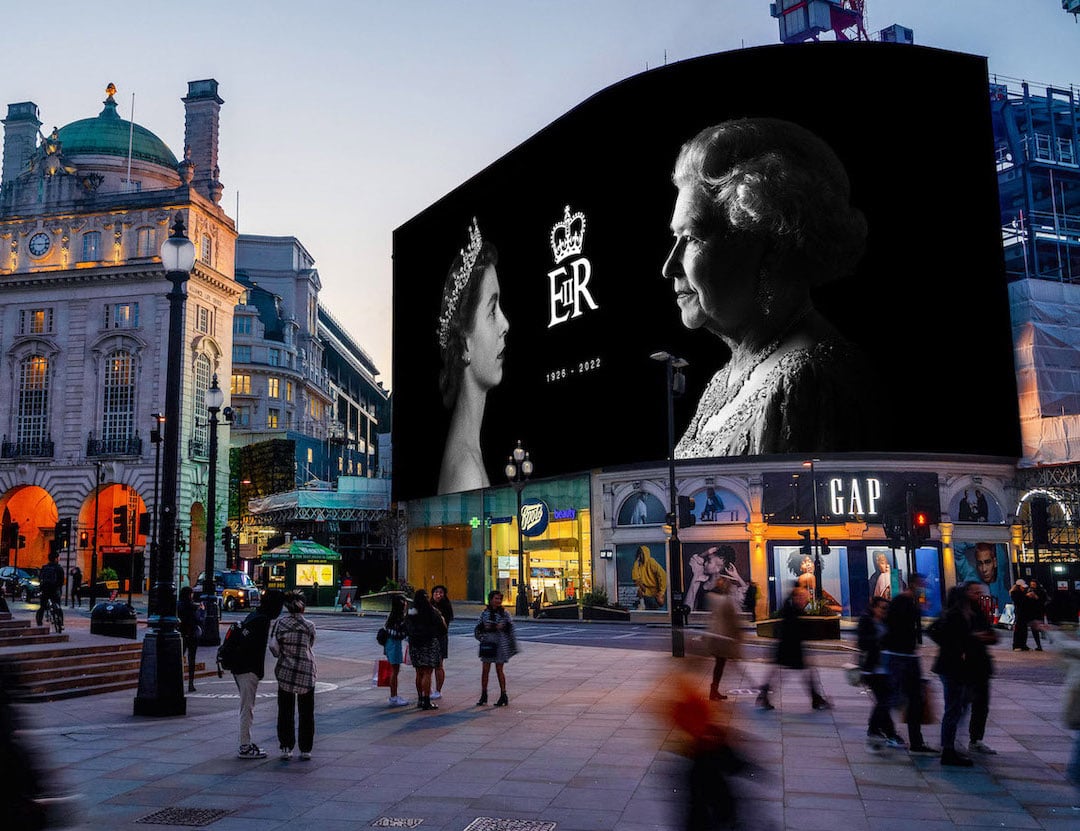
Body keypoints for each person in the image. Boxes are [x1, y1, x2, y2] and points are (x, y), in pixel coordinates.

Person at [664, 118, 871, 459]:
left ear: (769, 244)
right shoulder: (723, 380)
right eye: (675, 238)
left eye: (692, 239)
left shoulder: (809, 378)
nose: (668, 266)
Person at [436, 218, 509, 495]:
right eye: (492, 311)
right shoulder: (466, 472)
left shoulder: (468, 453)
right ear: (465, 344)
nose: (505, 324)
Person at [931, 582, 998, 766]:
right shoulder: (954, 614)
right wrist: (960, 646)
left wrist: (982, 638)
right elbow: (939, 633)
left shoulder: (974, 612)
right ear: (964, 594)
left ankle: (960, 743)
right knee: (954, 708)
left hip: (971, 667)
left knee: (968, 705)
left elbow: (990, 635)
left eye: (979, 592)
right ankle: (948, 749)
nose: (978, 595)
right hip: (954, 667)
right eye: (974, 592)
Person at [881, 573, 938, 756]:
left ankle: (915, 741)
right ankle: (880, 729)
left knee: (911, 699)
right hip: (900, 656)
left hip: (905, 655)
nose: (923, 588)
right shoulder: (902, 602)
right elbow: (896, 626)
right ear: (913, 584)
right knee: (900, 698)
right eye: (920, 584)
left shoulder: (908, 602)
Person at [229, 589, 285, 759]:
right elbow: (254, 647)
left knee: (246, 706)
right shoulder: (262, 621)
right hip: (248, 669)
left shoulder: (255, 615)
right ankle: (244, 746)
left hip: (240, 667)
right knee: (247, 707)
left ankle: (245, 743)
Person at [757, 585, 829, 711]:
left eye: (805, 598)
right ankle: (816, 699)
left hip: (789, 649)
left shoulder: (791, 609)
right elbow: (793, 631)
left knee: (797, 674)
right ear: (795, 598)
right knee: (803, 674)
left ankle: (764, 694)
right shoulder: (792, 611)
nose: (804, 601)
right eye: (802, 598)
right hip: (790, 649)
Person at [270, 590, 317, 761]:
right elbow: (310, 644)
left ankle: (286, 746)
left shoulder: (279, 624)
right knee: (306, 711)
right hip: (306, 670)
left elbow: (275, 647)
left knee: (285, 711)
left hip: (285, 670)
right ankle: (305, 748)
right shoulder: (309, 626)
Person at [859, 596, 904, 752]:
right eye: (882, 608)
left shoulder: (886, 622)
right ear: (874, 608)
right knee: (884, 700)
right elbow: (862, 643)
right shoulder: (866, 621)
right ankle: (884, 732)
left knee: (884, 701)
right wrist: (879, 639)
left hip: (886, 667)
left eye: (887, 608)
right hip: (872, 669)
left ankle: (879, 730)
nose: (885, 611)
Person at [405, 588, 446, 710]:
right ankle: (427, 700)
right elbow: (443, 629)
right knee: (428, 672)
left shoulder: (411, 612)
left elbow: (406, 627)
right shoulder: (432, 611)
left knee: (419, 672)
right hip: (429, 643)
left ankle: (420, 699)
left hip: (415, 644)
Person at [475, 590, 516, 706]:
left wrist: (501, 627)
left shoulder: (505, 613)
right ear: (491, 599)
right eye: (495, 598)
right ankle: (484, 694)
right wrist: (484, 630)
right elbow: (478, 628)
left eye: (499, 599)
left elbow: (510, 627)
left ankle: (503, 694)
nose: (498, 601)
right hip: (488, 643)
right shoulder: (484, 613)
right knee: (485, 670)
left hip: (500, 645)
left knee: (499, 670)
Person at [705, 576, 742, 701]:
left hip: (716, 636)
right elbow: (732, 622)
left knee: (719, 664)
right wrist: (737, 638)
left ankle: (714, 689)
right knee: (720, 664)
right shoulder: (726, 601)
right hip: (722, 638)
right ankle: (714, 690)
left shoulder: (713, 599)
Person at [382, 595, 409, 707]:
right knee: (395, 671)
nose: (406, 604)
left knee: (394, 670)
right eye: (405, 603)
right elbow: (398, 634)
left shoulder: (391, 616)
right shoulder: (399, 618)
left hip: (389, 645)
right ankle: (394, 696)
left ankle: (394, 695)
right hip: (394, 645)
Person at [177, 586, 204, 693]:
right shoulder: (192, 607)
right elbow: (199, 620)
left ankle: (178, 682)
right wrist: (202, 611)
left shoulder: (179, 605)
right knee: (191, 659)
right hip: (192, 634)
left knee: (180, 657)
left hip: (182, 633)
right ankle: (190, 684)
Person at [431, 584, 454, 700]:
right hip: (429, 638)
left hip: (440, 637)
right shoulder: (428, 605)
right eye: (436, 592)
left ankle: (438, 690)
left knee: (439, 665)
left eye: (440, 592)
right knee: (428, 666)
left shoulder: (445, 607)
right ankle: (428, 689)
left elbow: (444, 625)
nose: (438, 595)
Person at [631, 545, 667, 610]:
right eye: (639, 554)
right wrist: (636, 562)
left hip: (655, 589)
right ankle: (642, 605)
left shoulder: (651, 561)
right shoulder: (639, 565)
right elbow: (635, 577)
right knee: (637, 585)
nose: (640, 556)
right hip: (646, 588)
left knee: (660, 603)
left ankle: (658, 603)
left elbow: (662, 574)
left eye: (641, 553)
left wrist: (662, 591)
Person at [35, 550, 64, 627]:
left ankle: (39, 622)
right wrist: (59, 589)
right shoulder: (59, 568)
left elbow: (40, 578)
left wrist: (41, 588)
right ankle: (61, 623)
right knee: (58, 606)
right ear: (56, 559)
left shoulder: (44, 567)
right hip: (54, 590)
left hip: (45, 589)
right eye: (58, 558)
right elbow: (61, 581)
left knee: (42, 607)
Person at [1011, 579, 1032, 651]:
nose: (1023, 588)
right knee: (1018, 629)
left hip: (1024, 613)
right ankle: (1016, 645)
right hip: (1019, 613)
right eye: (1022, 587)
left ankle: (1023, 645)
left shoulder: (1023, 592)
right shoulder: (1015, 593)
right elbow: (1019, 601)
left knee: (1024, 629)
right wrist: (1026, 596)